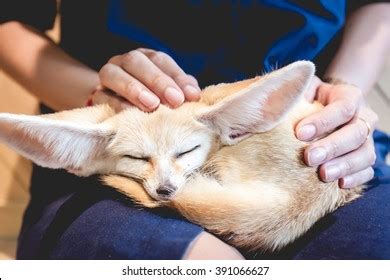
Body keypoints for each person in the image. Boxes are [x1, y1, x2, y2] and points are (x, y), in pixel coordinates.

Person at [0, 0, 389, 259]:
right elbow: (10, 18)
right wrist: (101, 98)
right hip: (110, 123)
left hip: (301, 129)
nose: (167, 186)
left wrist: (339, 90)